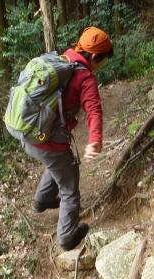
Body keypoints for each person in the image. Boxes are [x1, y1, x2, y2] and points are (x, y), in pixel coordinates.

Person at [23, 27, 113, 251]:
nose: (102, 65)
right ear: (95, 56)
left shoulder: (61, 59)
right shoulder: (85, 77)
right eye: (103, 60)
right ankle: (67, 236)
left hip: (26, 132)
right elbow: (94, 110)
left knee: (58, 163)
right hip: (47, 140)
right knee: (69, 184)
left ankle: (42, 201)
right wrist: (95, 139)